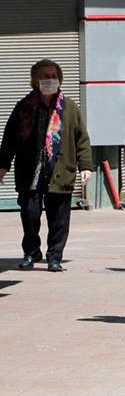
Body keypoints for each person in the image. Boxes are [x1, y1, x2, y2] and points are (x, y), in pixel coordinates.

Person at [0, 59, 93, 272]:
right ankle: (31, 252)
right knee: (30, 214)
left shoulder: (68, 107)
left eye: (53, 76)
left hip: (59, 170)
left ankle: (55, 256)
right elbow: (10, 139)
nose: (49, 79)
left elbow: (81, 138)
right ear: (34, 80)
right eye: (44, 76)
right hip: (30, 171)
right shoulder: (23, 106)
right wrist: (3, 165)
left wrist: (85, 165)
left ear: (59, 79)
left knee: (58, 218)